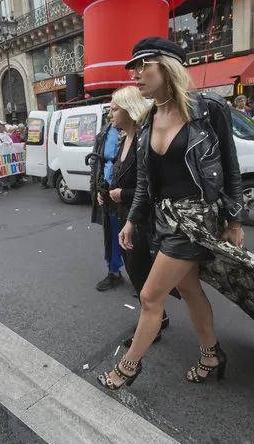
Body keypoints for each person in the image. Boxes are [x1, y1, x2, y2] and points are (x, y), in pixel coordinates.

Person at [98, 37, 244, 389]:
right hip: (164, 220)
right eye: (132, 67)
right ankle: (212, 355)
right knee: (190, 288)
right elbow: (147, 183)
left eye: (142, 65)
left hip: (196, 219)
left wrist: (235, 220)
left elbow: (231, 165)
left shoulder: (208, 109)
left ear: (167, 66)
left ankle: (128, 368)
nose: (135, 74)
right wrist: (132, 220)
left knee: (150, 297)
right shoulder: (149, 119)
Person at [106, 86, 171, 345]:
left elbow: (153, 188)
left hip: (143, 221)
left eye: (114, 108)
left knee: (144, 279)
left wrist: (124, 194)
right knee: (137, 274)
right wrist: (110, 192)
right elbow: (121, 176)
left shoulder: (145, 140)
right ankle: (159, 317)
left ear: (129, 109)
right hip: (125, 217)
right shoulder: (123, 139)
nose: (109, 113)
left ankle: (151, 327)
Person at [90, 121, 125, 291]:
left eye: (115, 109)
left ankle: (141, 277)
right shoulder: (105, 132)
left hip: (129, 194)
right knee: (111, 234)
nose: (110, 114)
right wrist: (97, 188)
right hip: (108, 192)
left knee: (137, 238)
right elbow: (97, 163)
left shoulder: (140, 129)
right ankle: (114, 273)